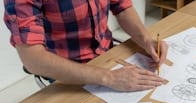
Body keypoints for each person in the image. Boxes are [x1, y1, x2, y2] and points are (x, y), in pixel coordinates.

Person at [3, 0, 168, 91]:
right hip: (68, 74)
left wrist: (145, 39)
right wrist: (109, 77)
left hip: (107, 56)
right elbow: (32, 59)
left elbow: (122, 8)